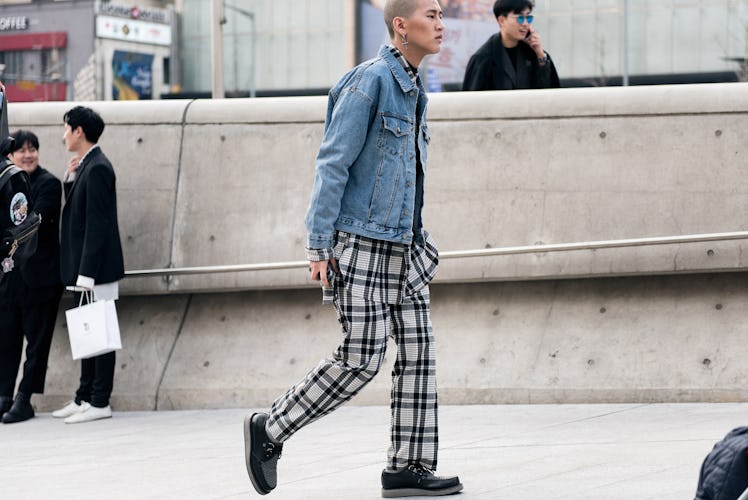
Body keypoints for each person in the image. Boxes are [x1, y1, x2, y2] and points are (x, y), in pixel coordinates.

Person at [243, 0, 463, 497]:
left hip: (405, 247)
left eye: (442, 14)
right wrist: (318, 246)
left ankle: (408, 467)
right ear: (401, 25)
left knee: (419, 353)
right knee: (362, 357)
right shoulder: (370, 82)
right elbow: (332, 164)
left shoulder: (413, 87)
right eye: (431, 14)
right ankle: (270, 428)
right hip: (362, 244)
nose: (441, 23)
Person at [52, 106, 124, 424]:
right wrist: (70, 179)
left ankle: (99, 401)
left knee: (101, 333)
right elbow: (80, 215)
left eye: (67, 128)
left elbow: (98, 224)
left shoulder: (97, 168)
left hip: (95, 270)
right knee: (88, 331)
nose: (64, 135)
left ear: (79, 131)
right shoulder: (87, 165)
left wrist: (87, 273)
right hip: (88, 269)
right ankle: (85, 396)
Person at [0, 130, 63, 424]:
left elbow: (32, 220)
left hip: (40, 278)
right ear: (10, 155)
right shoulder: (8, 181)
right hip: (10, 279)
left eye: (32, 149)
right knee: (7, 340)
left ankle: (25, 398)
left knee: (37, 345)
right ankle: (4, 395)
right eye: (21, 150)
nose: (27, 154)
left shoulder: (48, 183)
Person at [462, 0, 560, 91]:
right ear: (501, 20)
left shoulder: (532, 52)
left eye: (528, 17)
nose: (526, 24)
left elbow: (548, 94)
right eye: (520, 18)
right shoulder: (483, 58)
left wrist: (540, 55)